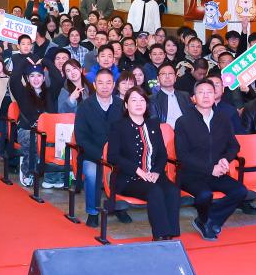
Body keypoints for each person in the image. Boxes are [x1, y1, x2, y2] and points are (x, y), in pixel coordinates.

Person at [171, 79, 247, 240]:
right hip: (191, 174)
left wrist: (225, 159)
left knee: (240, 191)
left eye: (209, 92)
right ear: (193, 98)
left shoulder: (223, 119)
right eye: (201, 92)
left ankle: (207, 220)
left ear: (215, 95)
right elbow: (183, 155)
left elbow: (234, 146)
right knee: (205, 195)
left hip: (217, 172)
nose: (205, 96)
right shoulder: (183, 121)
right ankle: (208, 222)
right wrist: (210, 168)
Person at [106, 87, 182, 240]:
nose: (139, 103)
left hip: (153, 175)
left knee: (173, 191)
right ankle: (160, 236)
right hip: (129, 178)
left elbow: (162, 154)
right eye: (134, 100)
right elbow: (112, 156)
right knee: (155, 191)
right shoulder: (118, 126)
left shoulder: (153, 124)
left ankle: (171, 235)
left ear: (147, 104)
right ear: (126, 105)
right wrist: (137, 170)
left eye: (142, 100)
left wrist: (156, 172)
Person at [73, 69, 122, 226]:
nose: (105, 86)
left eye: (108, 83)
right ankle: (92, 211)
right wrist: (100, 154)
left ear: (114, 85)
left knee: (126, 169)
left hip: (116, 154)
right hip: (92, 154)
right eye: (100, 83)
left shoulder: (122, 105)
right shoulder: (85, 106)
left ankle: (119, 207)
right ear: (94, 85)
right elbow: (81, 138)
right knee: (92, 173)